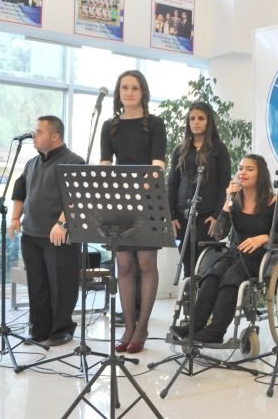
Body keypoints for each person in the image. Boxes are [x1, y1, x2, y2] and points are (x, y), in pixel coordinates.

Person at [171, 154, 278, 343]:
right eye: (241, 168)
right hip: (235, 253)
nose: (242, 172)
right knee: (212, 276)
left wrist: (264, 237)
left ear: (260, 174)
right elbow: (218, 234)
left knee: (231, 279)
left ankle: (215, 332)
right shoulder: (235, 200)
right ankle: (194, 326)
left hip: (259, 257)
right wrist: (228, 201)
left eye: (249, 169)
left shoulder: (272, 201)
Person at [100, 69, 167, 354]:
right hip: (119, 202)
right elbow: (106, 164)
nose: (129, 92)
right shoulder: (109, 126)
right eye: (124, 88)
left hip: (148, 200)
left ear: (143, 93)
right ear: (118, 93)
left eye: (134, 88)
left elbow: (158, 163)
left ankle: (142, 328)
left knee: (146, 264)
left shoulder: (155, 124)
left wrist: (139, 187)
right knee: (124, 265)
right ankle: (128, 327)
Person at [9, 115, 84, 346]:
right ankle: (39, 329)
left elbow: (76, 197)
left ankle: (62, 330)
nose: (34, 135)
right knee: (37, 285)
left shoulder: (74, 162)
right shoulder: (31, 163)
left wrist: (62, 223)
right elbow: (20, 192)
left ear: (55, 136)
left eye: (39, 132)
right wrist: (15, 218)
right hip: (31, 235)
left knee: (61, 285)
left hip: (58, 235)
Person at [167, 101, 231, 279]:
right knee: (187, 266)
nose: (195, 122)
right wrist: (171, 215)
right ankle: (188, 296)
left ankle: (202, 296)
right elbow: (172, 182)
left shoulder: (219, 149)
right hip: (183, 215)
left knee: (204, 266)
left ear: (209, 121)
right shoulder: (180, 150)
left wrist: (217, 215)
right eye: (192, 119)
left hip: (208, 216)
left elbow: (225, 184)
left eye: (201, 118)